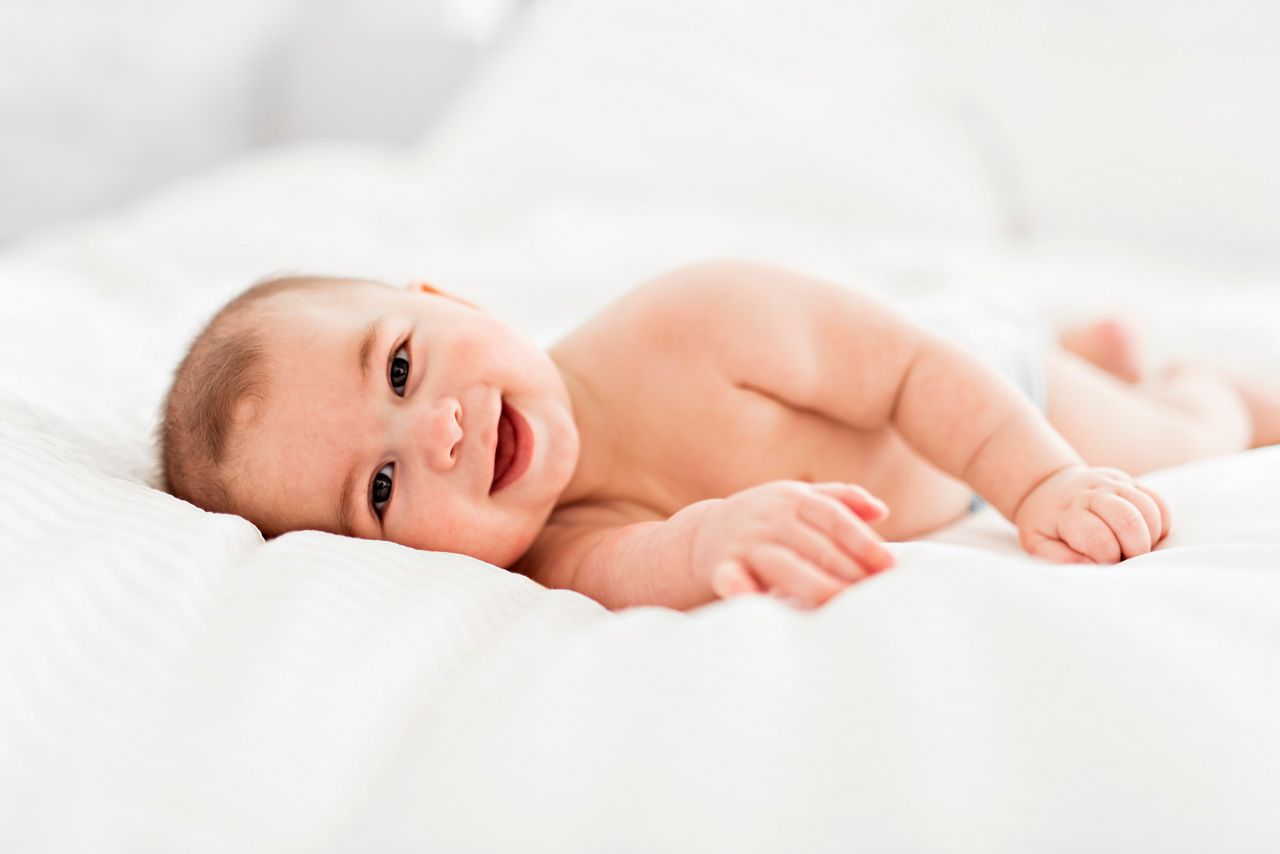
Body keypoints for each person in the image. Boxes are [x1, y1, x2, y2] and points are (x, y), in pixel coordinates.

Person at [159, 260, 1278, 610]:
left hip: (972, 386)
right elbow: (647, 558)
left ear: (449, 296)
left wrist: (1040, 482)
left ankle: (1192, 381)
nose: (439, 428)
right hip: (931, 417)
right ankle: (1095, 341)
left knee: (1176, 440)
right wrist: (709, 540)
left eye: (401, 364)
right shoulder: (552, 547)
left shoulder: (689, 322)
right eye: (384, 487)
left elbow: (909, 371)